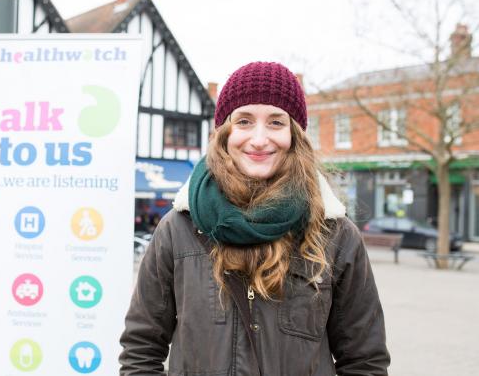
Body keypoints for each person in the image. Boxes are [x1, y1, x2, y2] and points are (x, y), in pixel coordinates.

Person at [119, 62, 389, 375]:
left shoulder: (335, 234)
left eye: (276, 122)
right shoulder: (179, 228)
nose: (259, 139)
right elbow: (141, 350)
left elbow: (365, 361)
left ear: (295, 135)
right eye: (244, 121)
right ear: (224, 133)